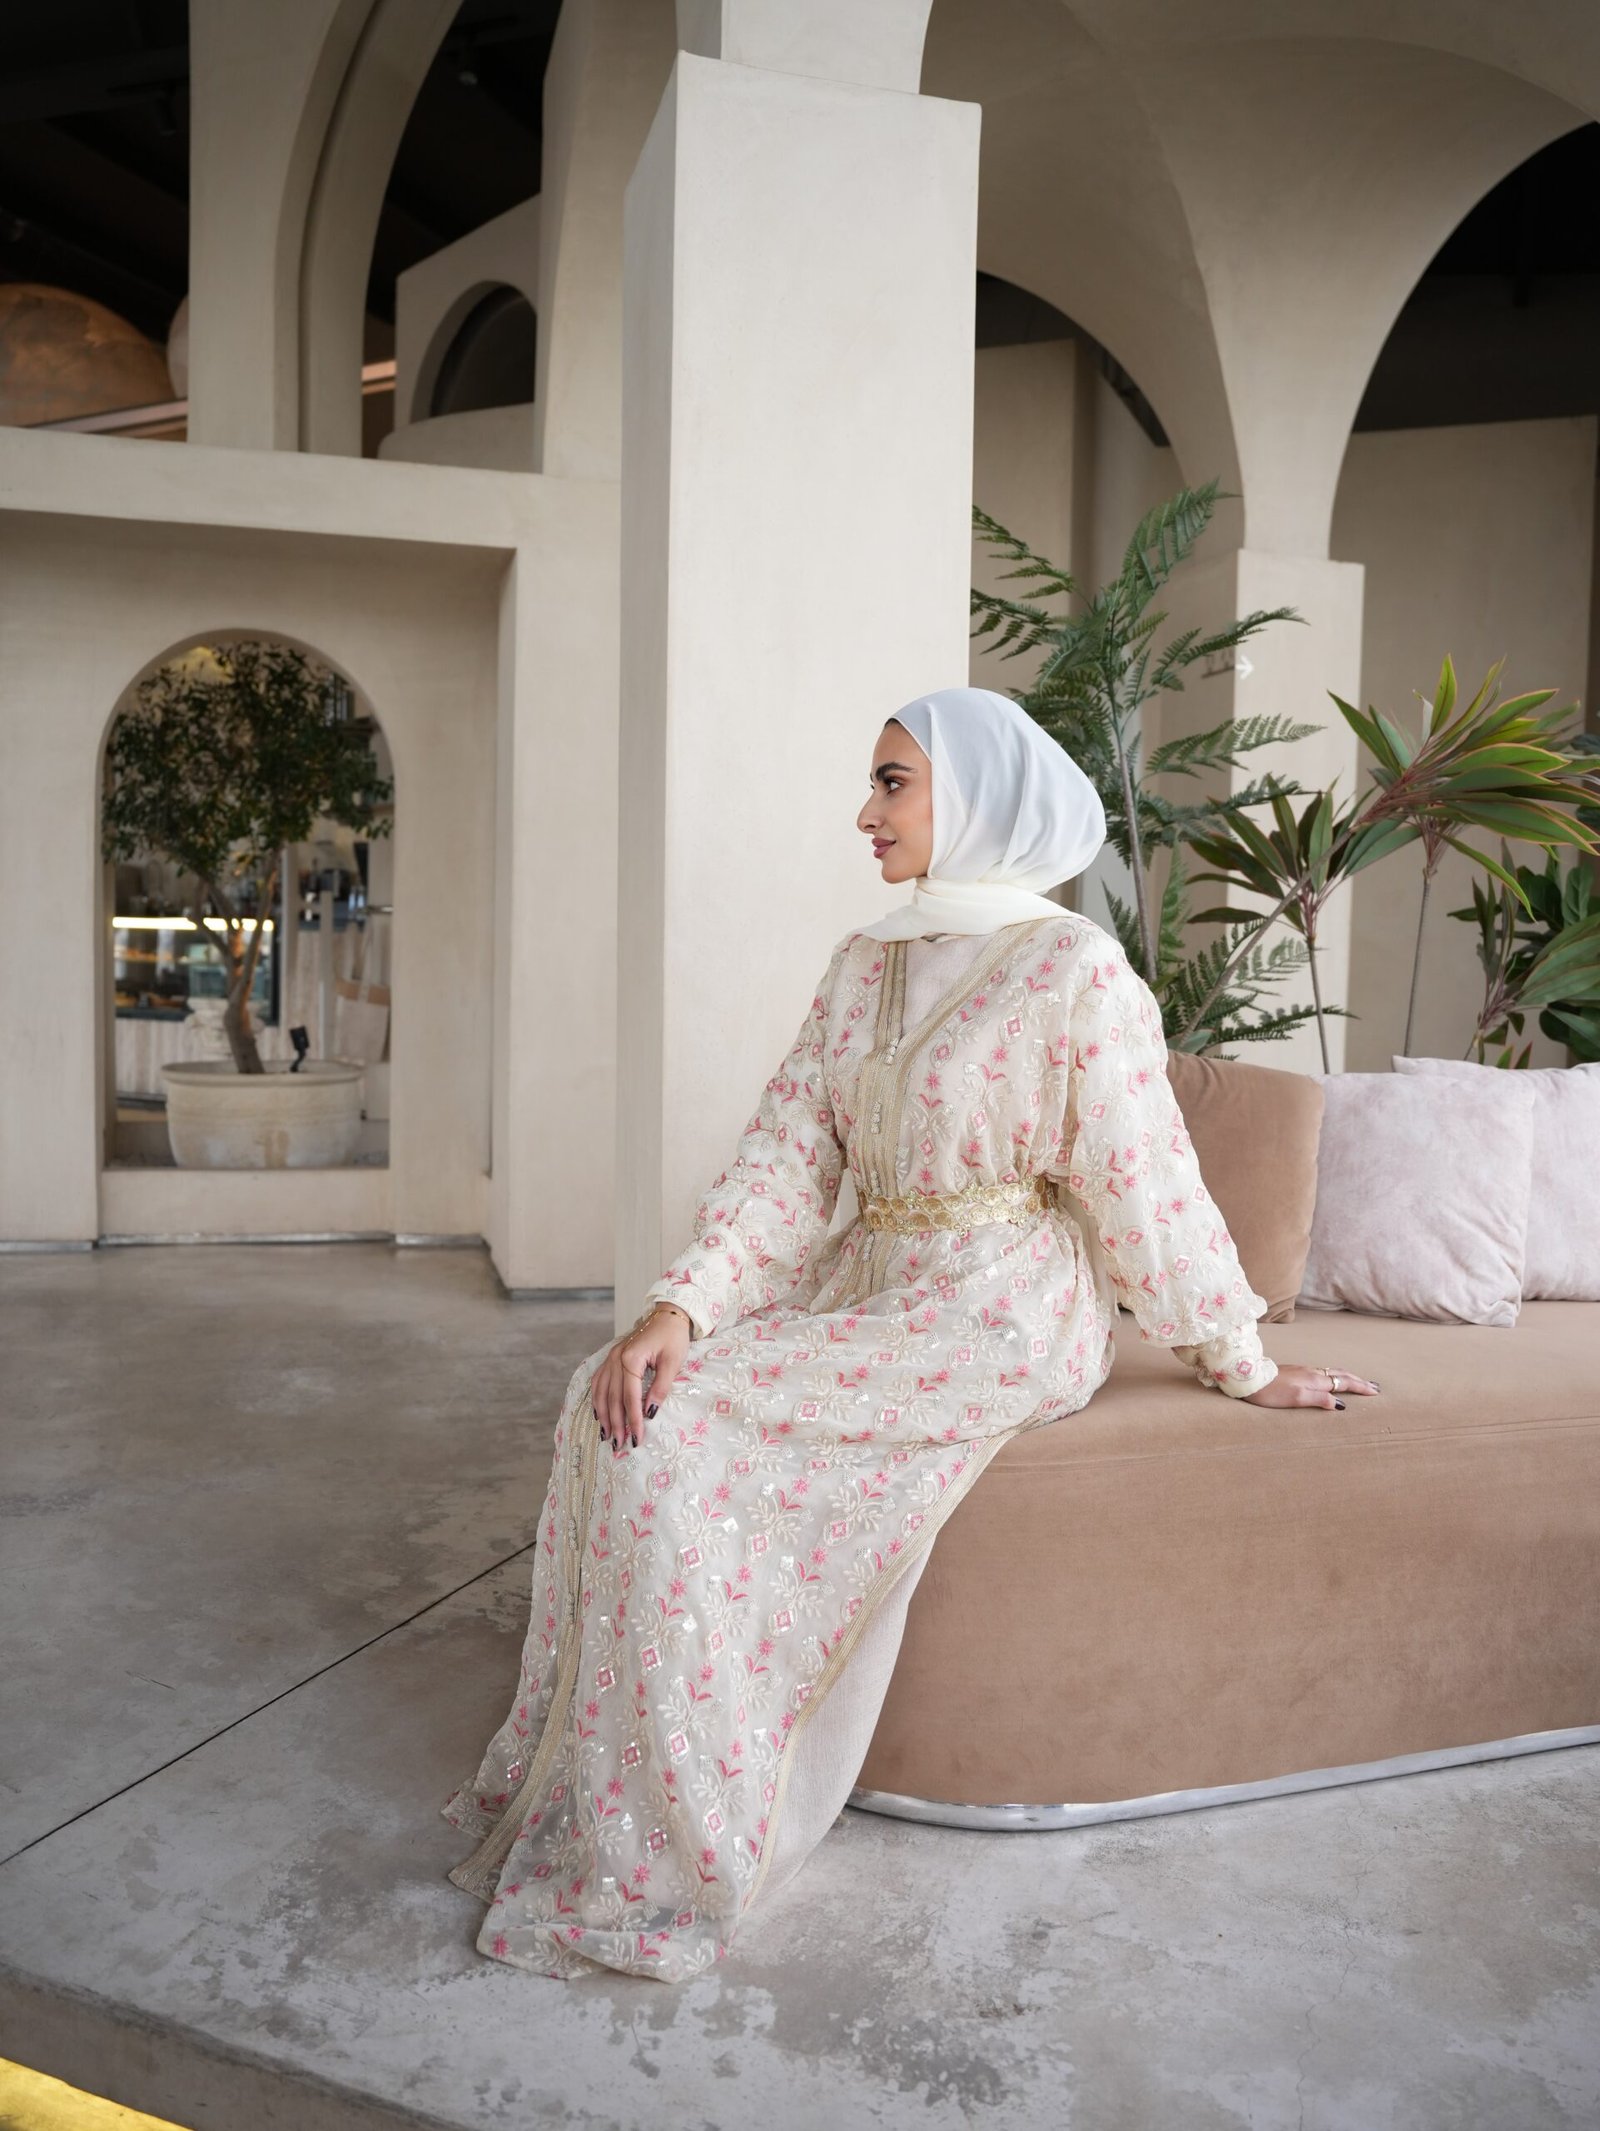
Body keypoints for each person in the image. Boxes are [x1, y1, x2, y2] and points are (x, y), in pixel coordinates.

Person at [439, 685, 1378, 1983]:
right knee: (615, 1402)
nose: (865, 812)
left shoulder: (1073, 971)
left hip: (1003, 1304)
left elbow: (1143, 1177)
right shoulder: (865, 964)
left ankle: (681, 1840)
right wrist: (681, 1307)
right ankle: (613, 1786)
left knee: (686, 1432)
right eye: (874, 783)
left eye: (893, 782)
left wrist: (1243, 1359)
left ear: (975, 797)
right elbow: (786, 1158)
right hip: (871, 1277)